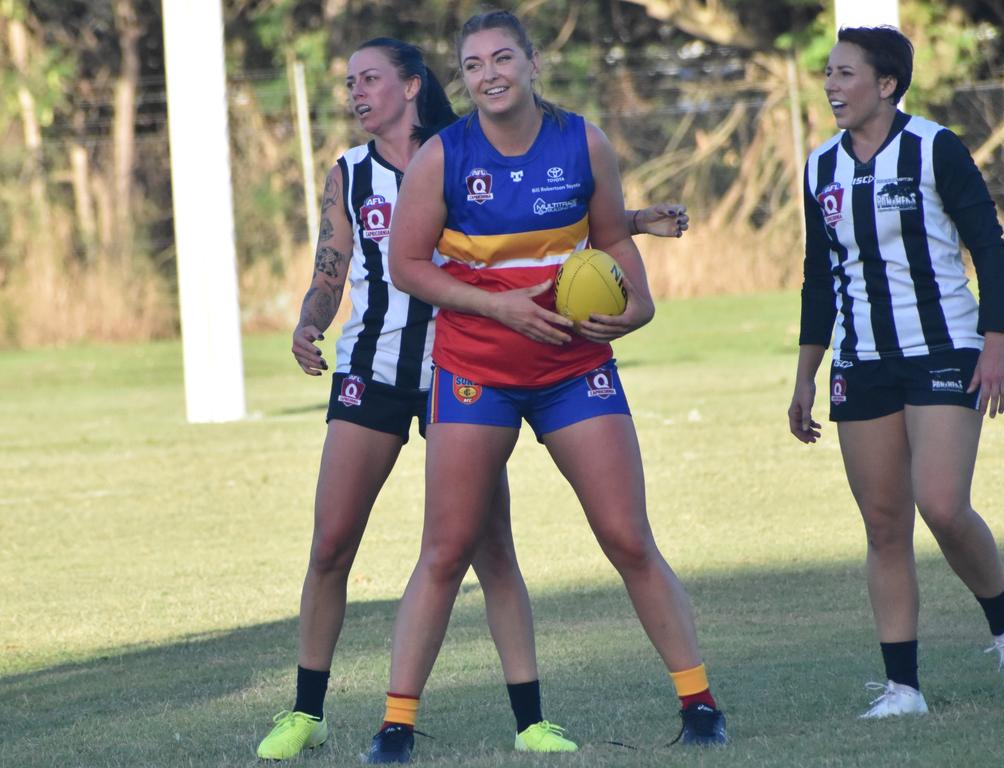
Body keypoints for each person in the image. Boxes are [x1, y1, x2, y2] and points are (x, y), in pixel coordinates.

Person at [256, 36, 690, 760]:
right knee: (332, 541)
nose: (356, 93)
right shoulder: (352, 175)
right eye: (349, 83)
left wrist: (634, 222)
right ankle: (307, 711)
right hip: (379, 368)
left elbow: (544, 219)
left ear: (410, 85)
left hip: (465, 373)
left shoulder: (461, 150)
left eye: (369, 79)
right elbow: (332, 262)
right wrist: (308, 320)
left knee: (489, 549)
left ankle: (529, 721)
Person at [360, 11, 726, 764]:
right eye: (472, 65)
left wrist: (641, 303)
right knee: (445, 548)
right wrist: (498, 306)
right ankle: (395, 727)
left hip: (572, 370)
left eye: (502, 58)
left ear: (531, 63)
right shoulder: (441, 155)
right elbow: (408, 265)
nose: (488, 74)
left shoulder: (582, 140)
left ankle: (700, 705)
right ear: (459, 79)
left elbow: (612, 236)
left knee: (627, 537)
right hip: (476, 373)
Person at [788, 25, 1004, 719]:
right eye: (827, 73)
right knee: (884, 526)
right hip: (862, 363)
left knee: (943, 505)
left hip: (945, 348)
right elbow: (816, 281)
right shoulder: (819, 168)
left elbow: (988, 241)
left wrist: (996, 343)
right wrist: (806, 375)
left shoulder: (933, 148)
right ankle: (903, 689)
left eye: (845, 73)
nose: (831, 85)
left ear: (886, 85)